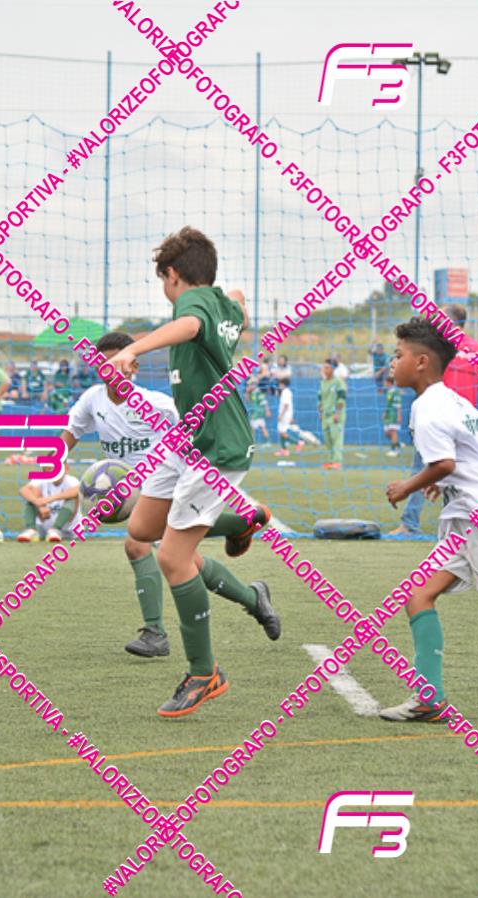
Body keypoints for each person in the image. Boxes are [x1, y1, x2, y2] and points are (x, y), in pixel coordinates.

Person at [112, 226, 279, 718]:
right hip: (188, 440)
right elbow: (238, 298)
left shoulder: (194, 305)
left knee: (172, 558)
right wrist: (235, 303)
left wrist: (132, 349)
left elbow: (187, 325)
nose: (165, 292)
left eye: (163, 282)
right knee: (142, 529)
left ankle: (205, 674)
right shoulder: (224, 304)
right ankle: (242, 522)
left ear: (174, 275)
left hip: (217, 447)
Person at [380, 317, 478, 722]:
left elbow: (443, 463)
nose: (392, 362)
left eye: (398, 355)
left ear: (422, 362)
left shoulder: (428, 409)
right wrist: (463, 477)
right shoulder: (455, 401)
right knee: (417, 596)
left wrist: (406, 487)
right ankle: (430, 699)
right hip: (466, 517)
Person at [61, 330, 179, 658]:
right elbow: (71, 431)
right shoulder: (93, 399)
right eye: (102, 364)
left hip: (161, 484)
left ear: (133, 365)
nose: (108, 370)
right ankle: (250, 597)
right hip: (128, 491)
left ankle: (156, 633)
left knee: (143, 546)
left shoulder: (157, 404)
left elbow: (188, 433)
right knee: (179, 557)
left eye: (115, 362)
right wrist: (56, 459)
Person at [389, 304, 478, 536]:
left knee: (424, 468)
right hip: (466, 418)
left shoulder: (441, 347)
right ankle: (466, 523)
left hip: (439, 415)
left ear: (452, 321)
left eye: (439, 317)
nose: (435, 321)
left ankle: (410, 524)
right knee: (464, 472)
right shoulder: (475, 348)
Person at [17, 464, 81, 543]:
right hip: (45, 530)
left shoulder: (71, 480)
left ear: (66, 469)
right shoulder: (41, 479)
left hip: (69, 531)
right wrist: (39, 504)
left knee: (72, 499)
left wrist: (48, 499)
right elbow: (23, 490)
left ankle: (56, 529)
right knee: (31, 498)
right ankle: (31, 530)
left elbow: (77, 491)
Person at [319, 358, 346, 469]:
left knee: (336, 439)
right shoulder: (322, 383)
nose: (324, 370)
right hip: (325, 415)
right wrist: (320, 412)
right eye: (324, 367)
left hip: (335, 415)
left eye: (327, 367)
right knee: (327, 439)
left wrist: (338, 413)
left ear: (333, 369)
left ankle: (337, 461)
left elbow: (342, 398)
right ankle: (330, 461)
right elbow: (320, 398)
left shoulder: (338, 382)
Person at [274, 377, 304, 457]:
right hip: (287, 415)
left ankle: (298, 442)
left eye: (280, 384)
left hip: (285, 415)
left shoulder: (286, 392)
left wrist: (281, 415)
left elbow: (286, 405)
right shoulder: (286, 392)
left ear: (283, 384)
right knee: (281, 432)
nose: (279, 385)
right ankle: (284, 450)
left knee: (282, 432)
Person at [382, 374, 402, 457]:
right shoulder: (389, 391)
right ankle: (398, 444)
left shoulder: (395, 392)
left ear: (388, 382)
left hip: (394, 414)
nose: (384, 383)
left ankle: (394, 450)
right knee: (387, 433)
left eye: (385, 382)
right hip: (388, 414)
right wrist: (385, 412)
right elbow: (388, 403)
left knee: (393, 432)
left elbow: (398, 404)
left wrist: (399, 415)